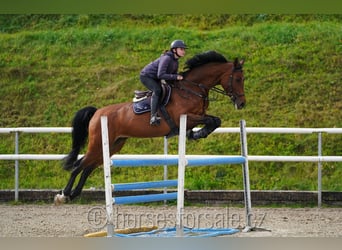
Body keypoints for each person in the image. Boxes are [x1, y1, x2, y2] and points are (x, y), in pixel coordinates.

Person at [140, 39, 187, 126]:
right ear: (174, 50)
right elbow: (161, 75)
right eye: (181, 49)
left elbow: (172, 75)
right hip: (146, 76)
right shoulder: (167, 58)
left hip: (155, 77)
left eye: (184, 49)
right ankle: (153, 116)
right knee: (157, 90)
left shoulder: (175, 61)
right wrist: (176, 77)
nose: (184, 51)